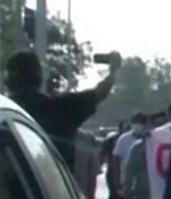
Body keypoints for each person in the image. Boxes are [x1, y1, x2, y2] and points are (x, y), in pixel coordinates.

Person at [4, 50, 122, 182]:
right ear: (39, 77)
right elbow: (99, 93)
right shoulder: (58, 109)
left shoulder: (5, 112)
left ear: (8, 80)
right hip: (50, 195)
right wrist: (113, 72)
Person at [108, 113, 148, 199]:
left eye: (141, 122)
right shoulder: (124, 139)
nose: (139, 125)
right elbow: (116, 161)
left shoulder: (150, 139)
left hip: (142, 188)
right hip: (125, 184)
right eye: (136, 122)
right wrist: (117, 184)